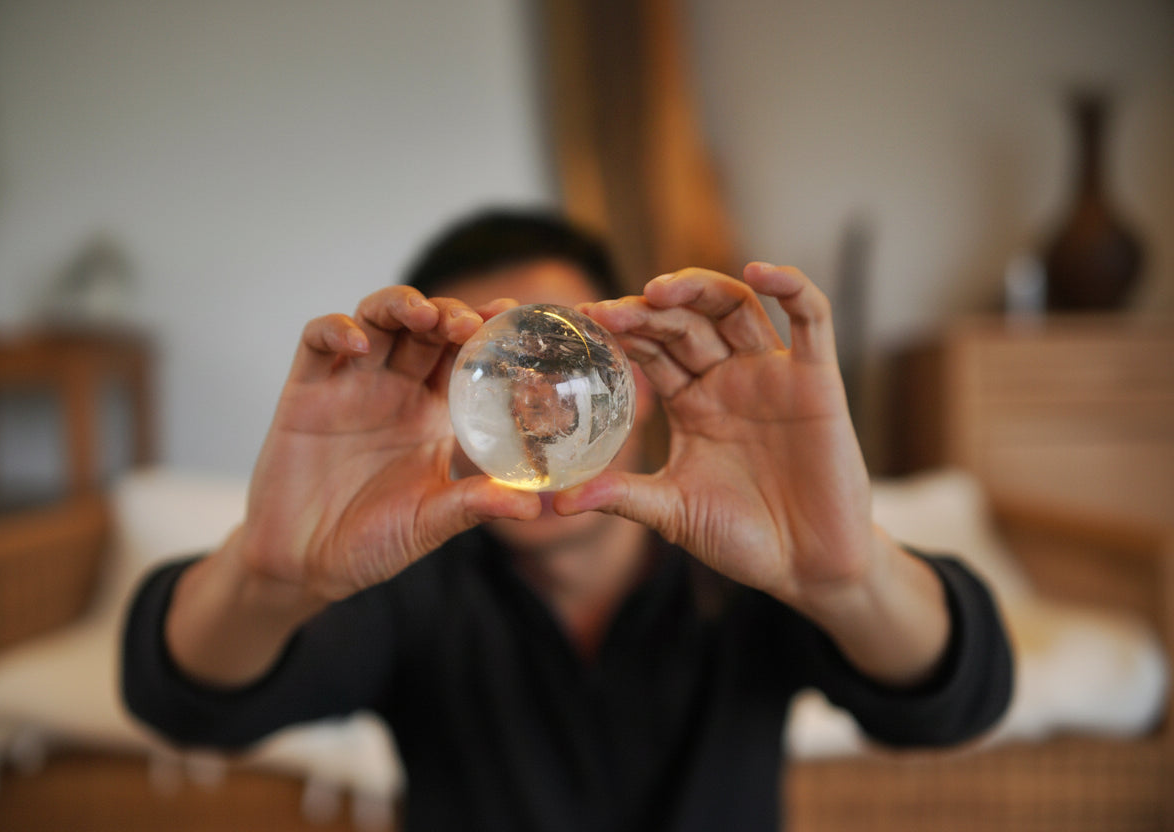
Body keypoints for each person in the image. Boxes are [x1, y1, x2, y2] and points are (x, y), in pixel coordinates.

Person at [123, 209, 1013, 832]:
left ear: (625, 377)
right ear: (445, 393)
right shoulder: (413, 586)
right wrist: (269, 579)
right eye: (501, 375)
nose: (535, 409)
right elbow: (188, 703)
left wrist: (849, 577)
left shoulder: (740, 568)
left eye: (556, 366)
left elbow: (955, 704)